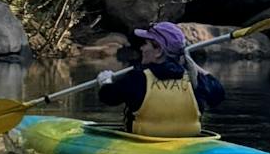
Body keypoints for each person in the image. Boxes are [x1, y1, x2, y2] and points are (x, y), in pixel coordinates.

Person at [96, 21, 224, 137]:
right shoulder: (196, 80)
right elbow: (219, 94)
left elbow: (108, 97)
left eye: (145, 44)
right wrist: (193, 65)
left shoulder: (138, 78)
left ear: (158, 51)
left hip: (144, 143)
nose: (141, 48)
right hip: (188, 142)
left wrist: (105, 81)